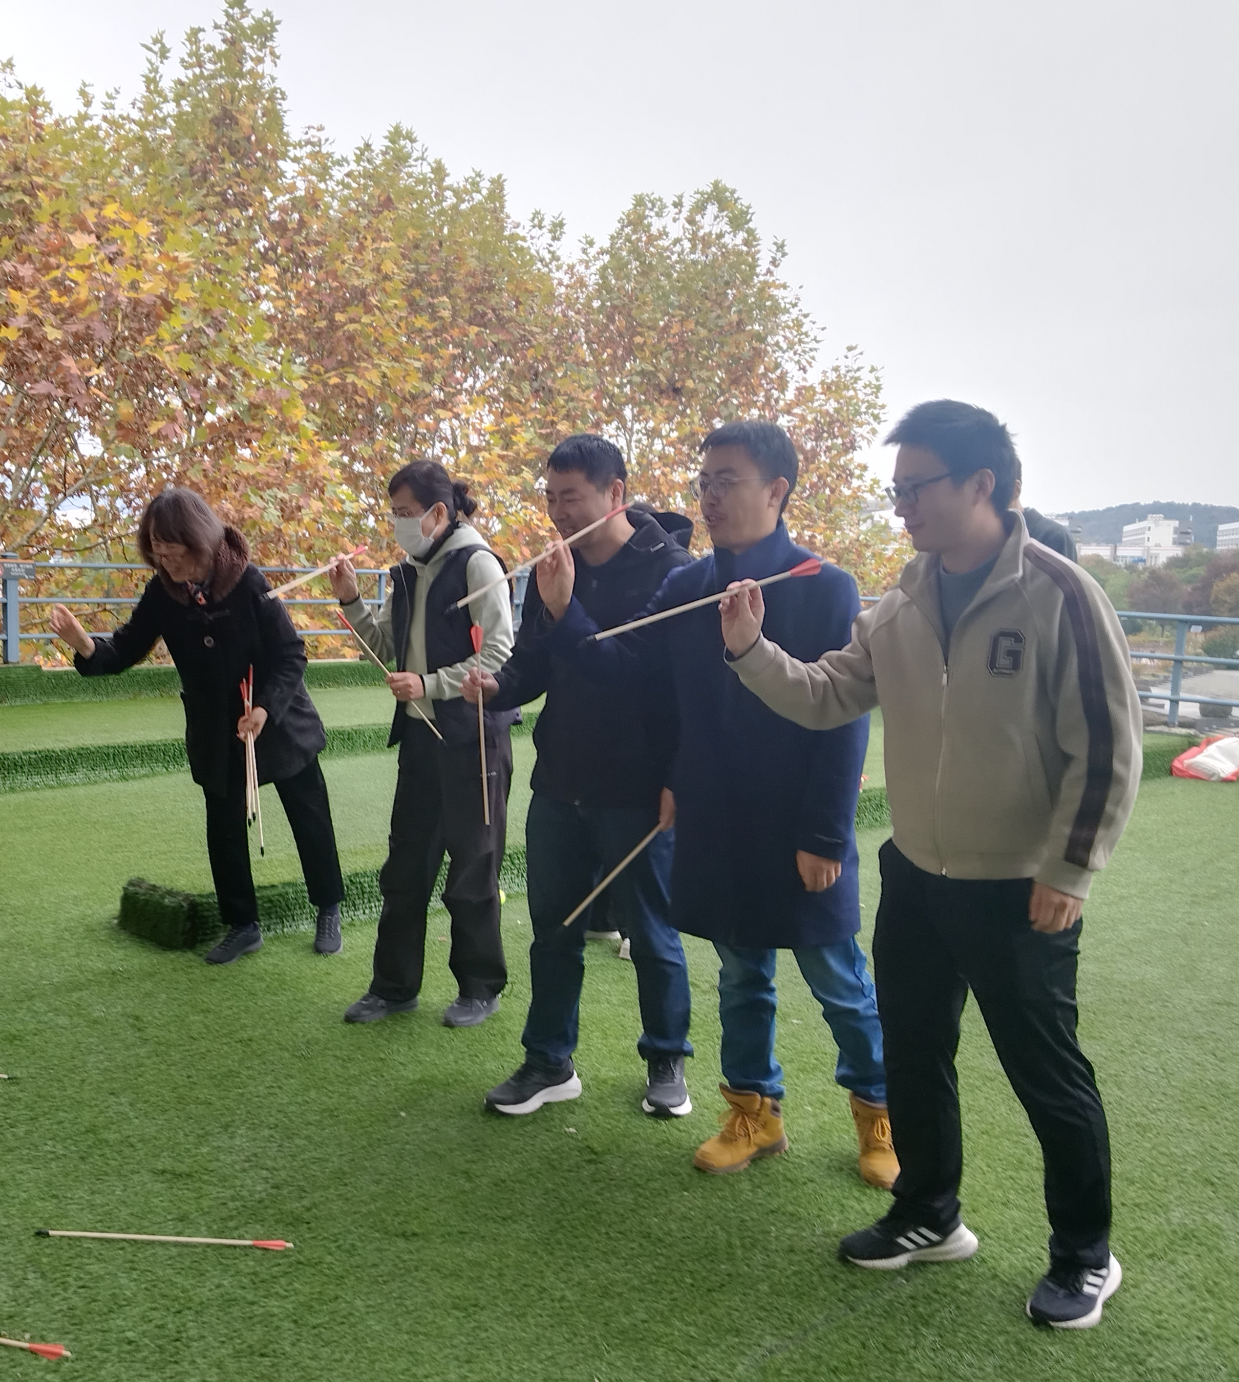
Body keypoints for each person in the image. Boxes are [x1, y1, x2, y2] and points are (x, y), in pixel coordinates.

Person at [717, 399, 1142, 1329]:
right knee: (913, 1055)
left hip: (1021, 884)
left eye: (916, 487)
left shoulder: (1060, 593)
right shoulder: (900, 603)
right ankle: (928, 1214)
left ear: (982, 484)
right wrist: (751, 651)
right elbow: (830, 694)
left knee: (1046, 1074)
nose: (902, 505)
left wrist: (1070, 869)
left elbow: (1108, 745)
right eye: (896, 489)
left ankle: (1085, 1255)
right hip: (916, 874)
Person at [527, 421, 898, 1188]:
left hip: (797, 825)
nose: (710, 496)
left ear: (777, 490)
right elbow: (628, 672)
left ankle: (881, 1115)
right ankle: (754, 1114)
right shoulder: (689, 587)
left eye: (727, 481)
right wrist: (565, 613)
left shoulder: (822, 584)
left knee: (838, 979)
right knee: (740, 975)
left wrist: (825, 835)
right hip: (718, 821)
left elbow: (844, 722)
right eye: (705, 482)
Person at [459, 435, 694, 1117]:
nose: (558, 512)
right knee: (552, 929)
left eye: (572, 497)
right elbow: (536, 663)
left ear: (615, 493)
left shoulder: (672, 572)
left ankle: (666, 1059)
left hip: (637, 786)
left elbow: (638, 675)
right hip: (561, 779)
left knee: (652, 933)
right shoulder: (554, 568)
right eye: (551, 497)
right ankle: (548, 1061)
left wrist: (566, 610)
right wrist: (498, 687)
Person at [51, 487, 346, 965]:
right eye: (158, 554)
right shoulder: (162, 593)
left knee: (309, 815)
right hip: (214, 728)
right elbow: (124, 650)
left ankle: (328, 907)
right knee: (224, 830)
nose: (166, 564)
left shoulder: (248, 582)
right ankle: (242, 925)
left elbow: (291, 654)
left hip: (278, 718)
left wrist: (264, 708)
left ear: (201, 543)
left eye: (174, 554)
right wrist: (84, 644)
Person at [325, 460, 517, 1027]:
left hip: (473, 740)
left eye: (406, 513)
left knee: (473, 866)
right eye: (394, 513)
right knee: (405, 866)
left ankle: (480, 987)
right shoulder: (407, 571)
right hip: (419, 738)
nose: (399, 524)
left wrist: (429, 684)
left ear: (438, 512)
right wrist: (351, 601)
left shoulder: (478, 563)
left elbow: (499, 653)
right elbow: (384, 647)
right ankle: (392, 987)